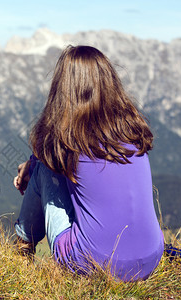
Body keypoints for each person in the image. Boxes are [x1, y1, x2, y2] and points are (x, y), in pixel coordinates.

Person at [13, 45, 164, 282]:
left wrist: (29, 167)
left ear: (63, 89)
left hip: (93, 262)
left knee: (43, 170)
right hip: (150, 257)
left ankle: (22, 251)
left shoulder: (66, 139)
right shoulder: (133, 131)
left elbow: (43, 160)